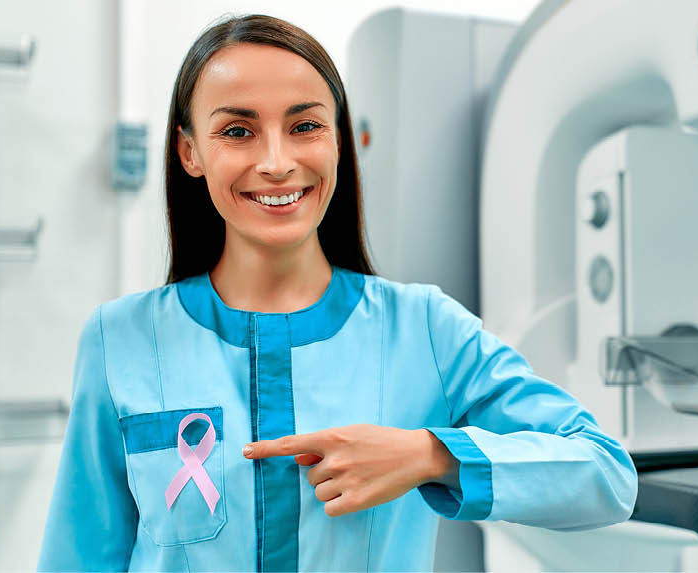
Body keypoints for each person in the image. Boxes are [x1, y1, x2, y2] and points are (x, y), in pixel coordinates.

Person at [37, 13, 636, 572]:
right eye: (238, 131)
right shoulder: (121, 340)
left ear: (338, 142)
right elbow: (79, 556)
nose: (276, 162)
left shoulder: (425, 328)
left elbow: (606, 475)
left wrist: (431, 455)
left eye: (304, 126)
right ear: (190, 151)